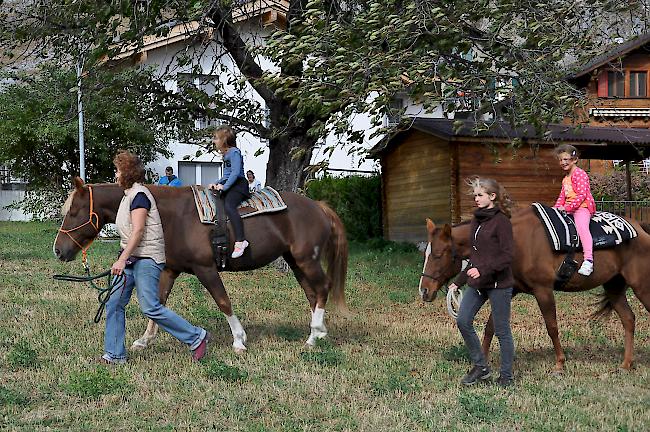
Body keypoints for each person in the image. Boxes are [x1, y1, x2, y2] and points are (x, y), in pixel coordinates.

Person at [102, 150, 210, 364]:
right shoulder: (128, 196)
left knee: (150, 306)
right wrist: (124, 257)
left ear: (127, 173)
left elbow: (139, 231)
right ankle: (114, 354)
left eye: (118, 171)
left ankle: (196, 336)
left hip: (147, 259)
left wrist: (122, 259)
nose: (115, 175)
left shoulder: (140, 196)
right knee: (113, 303)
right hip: (132, 258)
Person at [448, 177, 515, 387]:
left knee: (502, 331)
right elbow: (475, 256)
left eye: (480, 195)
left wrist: (483, 270)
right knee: (463, 320)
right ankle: (481, 366)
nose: (476, 199)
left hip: (498, 285)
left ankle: (506, 377)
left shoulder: (502, 221)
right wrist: (458, 281)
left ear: (492, 196)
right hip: (478, 284)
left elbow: (508, 256)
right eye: (475, 195)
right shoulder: (476, 220)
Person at [552, 144, 596, 276]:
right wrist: (555, 209)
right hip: (570, 208)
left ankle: (588, 260)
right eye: (560, 160)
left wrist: (567, 208)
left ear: (574, 159)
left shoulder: (580, 174)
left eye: (566, 159)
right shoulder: (565, 179)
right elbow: (562, 197)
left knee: (582, 227)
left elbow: (582, 195)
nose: (563, 162)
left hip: (582, 207)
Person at [208, 125, 251, 259]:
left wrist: (224, 187)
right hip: (232, 183)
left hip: (239, 185)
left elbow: (235, 173)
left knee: (229, 206)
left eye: (215, 138)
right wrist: (217, 183)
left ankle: (240, 240)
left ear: (224, 140)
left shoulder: (234, 152)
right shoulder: (226, 155)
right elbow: (226, 175)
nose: (213, 141)